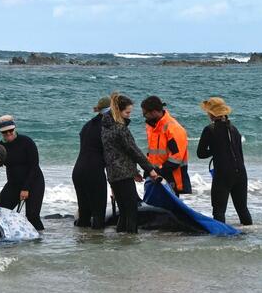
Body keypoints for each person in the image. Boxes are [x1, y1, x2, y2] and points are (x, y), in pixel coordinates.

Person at [101, 93, 160, 233]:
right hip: (123, 174)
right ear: (118, 111)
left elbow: (119, 154)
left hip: (113, 174)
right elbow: (134, 151)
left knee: (123, 211)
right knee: (132, 210)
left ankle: (122, 240)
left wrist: (134, 172)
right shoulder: (120, 129)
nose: (129, 115)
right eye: (127, 112)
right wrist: (150, 169)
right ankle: (131, 241)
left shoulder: (105, 128)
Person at [196, 97, 253, 226]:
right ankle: (249, 236)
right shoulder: (234, 129)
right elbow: (239, 153)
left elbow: (200, 154)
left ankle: (220, 240)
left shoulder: (209, 129)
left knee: (219, 211)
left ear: (211, 113)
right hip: (241, 173)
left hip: (223, 174)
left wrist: (215, 151)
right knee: (242, 209)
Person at [0, 115, 46, 231]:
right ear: (0, 132)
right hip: (13, 184)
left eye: (10, 130)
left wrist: (26, 188)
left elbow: (34, 166)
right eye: (4, 132)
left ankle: (40, 243)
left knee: (32, 216)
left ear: (14, 128)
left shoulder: (26, 142)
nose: (8, 134)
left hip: (34, 182)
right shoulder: (0, 147)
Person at [72, 97, 111, 228]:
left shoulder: (87, 125)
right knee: (98, 214)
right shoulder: (107, 125)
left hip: (78, 171)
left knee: (84, 213)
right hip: (94, 171)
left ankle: (84, 245)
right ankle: (97, 246)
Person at [141, 95, 192, 196]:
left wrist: (158, 171)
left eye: (145, 113)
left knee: (169, 209)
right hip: (156, 176)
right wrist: (149, 170)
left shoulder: (173, 128)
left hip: (171, 177)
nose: (144, 116)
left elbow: (176, 157)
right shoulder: (151, 127)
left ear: (154, 112)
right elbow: (153, 152)